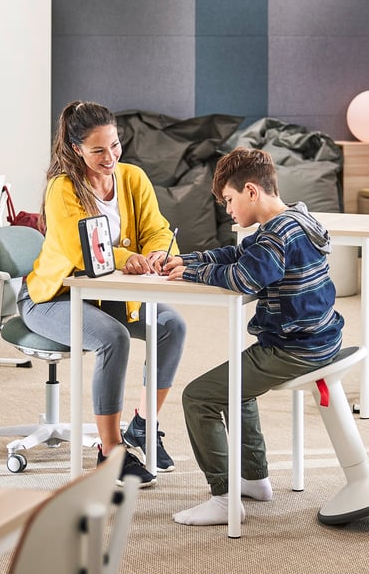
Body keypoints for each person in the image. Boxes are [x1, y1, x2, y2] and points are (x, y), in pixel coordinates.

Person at [165, 147, 344, 525]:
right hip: (321, 337)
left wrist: (192, 275)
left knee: (198, 396)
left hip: (295, 348)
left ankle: (223, 498)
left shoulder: (276, 236)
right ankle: (254, 478)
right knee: (233, 385)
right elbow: (240, 254)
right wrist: (191, 260)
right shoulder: (295, 218)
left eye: (228, 200)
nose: (227, 210)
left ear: (250, 191)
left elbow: (244, 277)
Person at [18, 100, 186, 487]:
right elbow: (82, 250)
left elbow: (156, 228)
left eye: (114, 145)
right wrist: (128, 257)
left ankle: (144, 425)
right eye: (98, 150)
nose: (110, 156)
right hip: (53, 297)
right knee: (114, 337)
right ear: (77, 149)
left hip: (111, 292)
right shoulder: (63, 188)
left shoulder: (132, 178)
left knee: (172, 326)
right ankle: (111, 451)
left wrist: (160, 251)